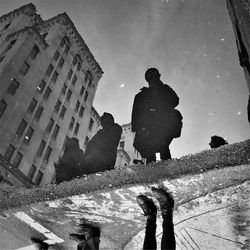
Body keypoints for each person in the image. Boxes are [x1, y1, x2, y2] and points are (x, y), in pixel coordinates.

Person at [132, 68, 182, 163]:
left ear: (158, 76)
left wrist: (161, 86)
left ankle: (161, 168)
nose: (153, 77)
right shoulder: (140, 96)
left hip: (161, 127)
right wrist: (140, 128)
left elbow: (175, 100)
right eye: (150, 75)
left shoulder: (163, 90)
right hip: (147, 129)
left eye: (154, 75)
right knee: (152, 155)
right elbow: (136, 115)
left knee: (161, 152)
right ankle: (155, 169)